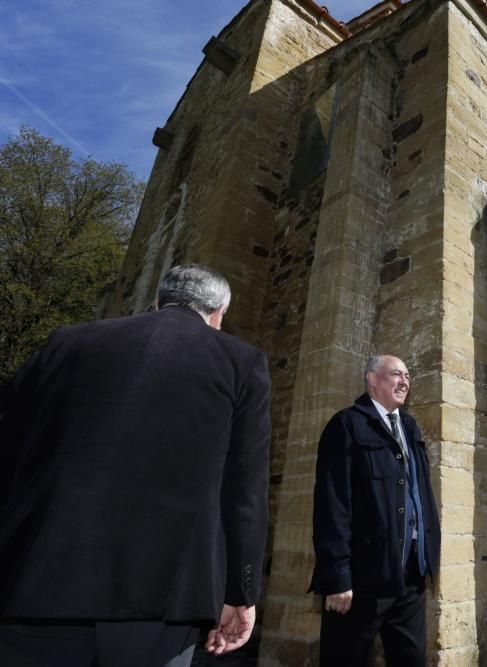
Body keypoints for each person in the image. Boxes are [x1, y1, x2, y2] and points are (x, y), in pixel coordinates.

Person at [0, 264, 271, 666]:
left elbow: (11, 448)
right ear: (220, 312)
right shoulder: (242, 361)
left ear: (159, 300)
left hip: (38, 576)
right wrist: (239, 593)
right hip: (164, 596)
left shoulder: (67, 342)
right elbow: (245, 489)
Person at [310, 355, 441, 666]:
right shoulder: (347, 424)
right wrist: (338, 576)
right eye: (396, 374)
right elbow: (332, 504)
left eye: (408, 376)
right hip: (363, 576)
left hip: (411, 574)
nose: (405, 381)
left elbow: (419, 493)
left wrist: (428, 552)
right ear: (372, 379)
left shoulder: (410, 427)